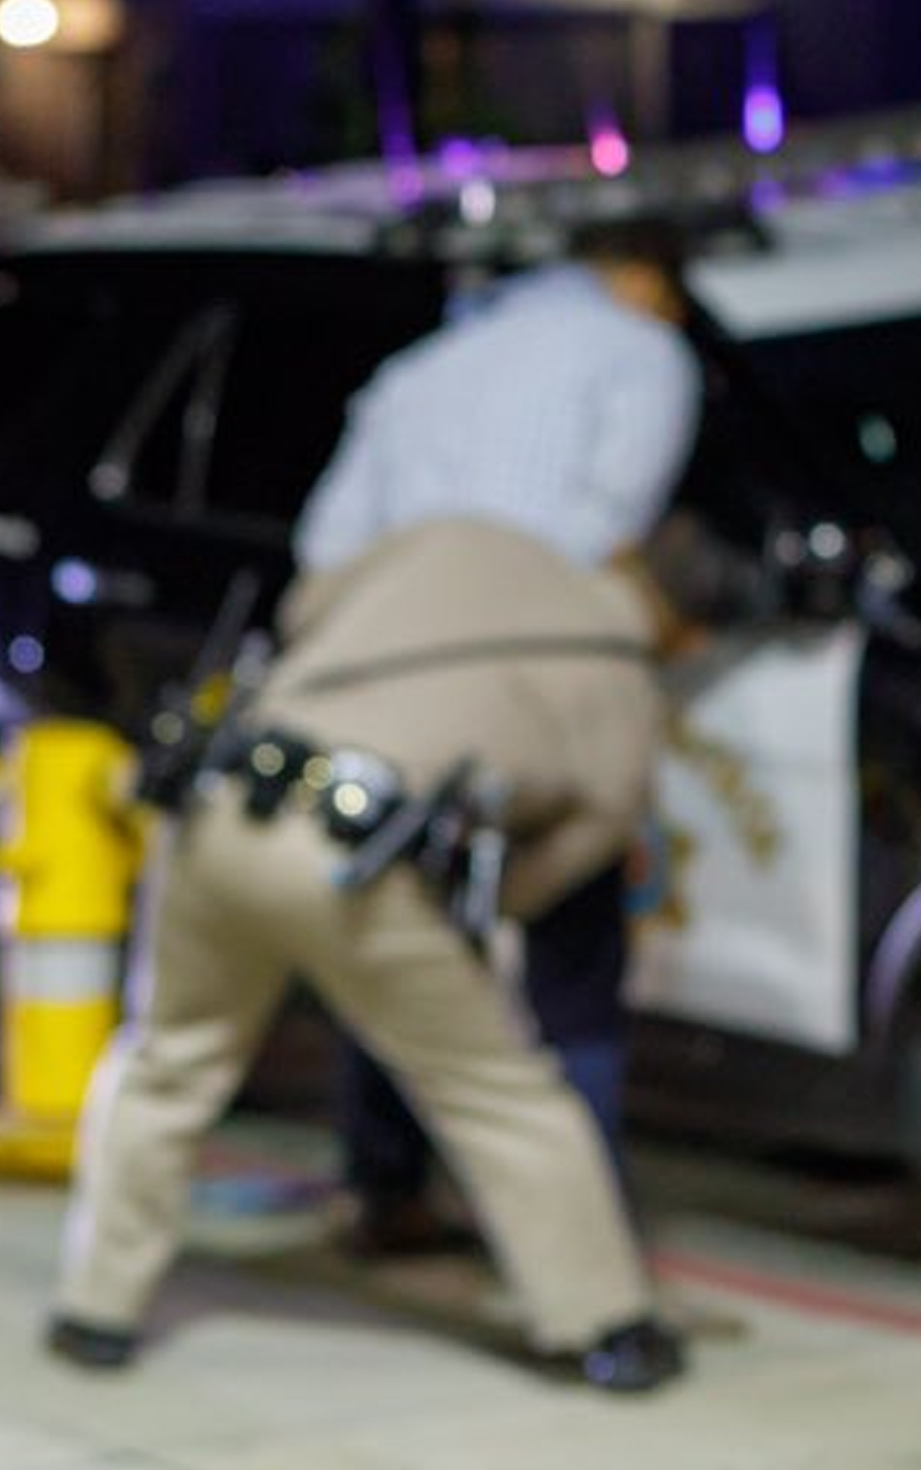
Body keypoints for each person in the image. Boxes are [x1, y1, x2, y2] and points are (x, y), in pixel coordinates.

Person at [48, 515, 685, 1389]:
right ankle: (607, 1323)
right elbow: (588, 839)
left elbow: (308, 603)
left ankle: (94, 1308)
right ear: (687, 631)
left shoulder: (464, 540)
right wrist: (481, 910)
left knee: (167, 1058)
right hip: (351, 860)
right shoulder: (625, 687)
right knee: (497, 1091)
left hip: (221, 799)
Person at [291, 217, 704, 1253]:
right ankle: (577, 1224)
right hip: (533, 683)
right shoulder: (642, 354)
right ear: (641, 274)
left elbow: (324, 546)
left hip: (394, 692)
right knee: (572, 957)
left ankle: (381, 1185)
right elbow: (606, 536)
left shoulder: (421, 371)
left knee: (395, 931)